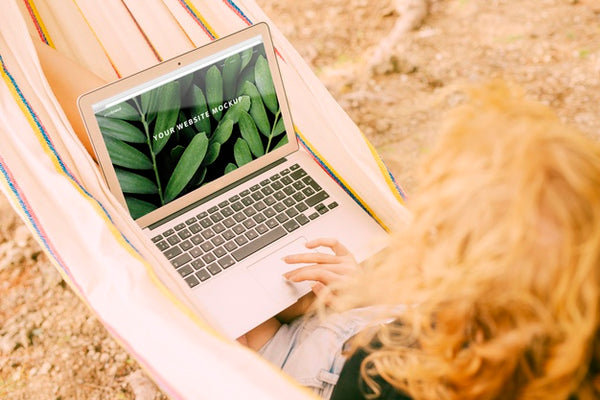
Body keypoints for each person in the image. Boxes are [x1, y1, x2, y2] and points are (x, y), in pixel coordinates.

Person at [35, 40, 600, 399]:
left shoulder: (380, 388)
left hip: (314, 370)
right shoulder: (567, 346)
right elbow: (433, 322)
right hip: (392, 332)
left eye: (442, 239)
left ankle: (24, 60)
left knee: (175, 237)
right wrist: (361, 292)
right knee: (257, 217)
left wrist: (325, 318)